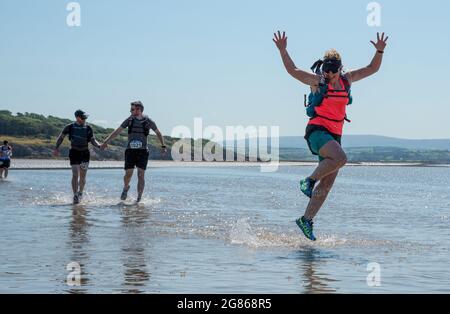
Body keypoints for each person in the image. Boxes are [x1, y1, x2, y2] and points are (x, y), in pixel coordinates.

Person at [273, 31, 388, 241]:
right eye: (326, 70)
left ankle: (306, 220)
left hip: (335, 136)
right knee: (341, 159)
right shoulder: (317, 81)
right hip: (317, 132)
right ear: (323, 68)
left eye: (333, 71)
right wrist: (283, 50)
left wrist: (379, 50)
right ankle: (308, 181)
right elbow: (293, 70)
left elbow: (373, 68)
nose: (329, 75)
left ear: (339, 69)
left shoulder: (347, 80)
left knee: (327, 184)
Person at [101, 101, 167, 203]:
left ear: (139, 110)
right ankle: (126, 187)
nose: (130, 111)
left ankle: (139, 199)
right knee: (128, 174)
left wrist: (163, 145)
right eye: (131, 109)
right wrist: (106, 141)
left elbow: (158, 132)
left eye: (132, 109)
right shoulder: (129, 120)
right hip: (130, 151)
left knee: (141, 175)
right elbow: (117, 131)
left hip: (143, 152)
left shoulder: (148, 121)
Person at [54, 110, 103, 204]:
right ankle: (75, 194)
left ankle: (80, 192)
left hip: (85, 153)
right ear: (77, 117)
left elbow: (93, 140)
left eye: (85, 118)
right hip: (74, 152)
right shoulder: (69, 127)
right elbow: (61, 137)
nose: (85, 119)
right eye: (83, 117)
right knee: (75, 174)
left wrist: (99, 145)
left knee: (83, 176)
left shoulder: (88, 127)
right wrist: (56, 148)